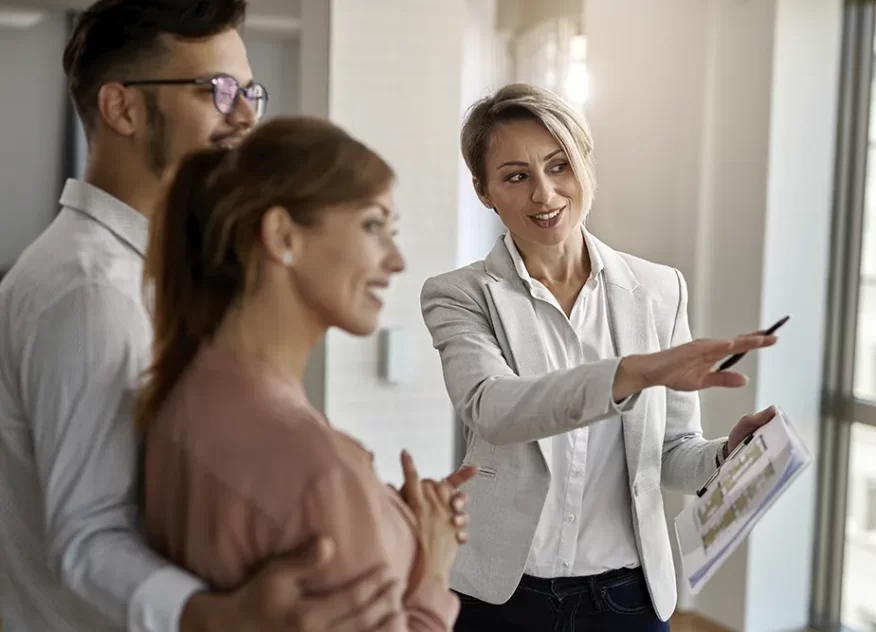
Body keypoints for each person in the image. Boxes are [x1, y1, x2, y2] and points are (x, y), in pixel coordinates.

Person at [0, 2, 464, 630]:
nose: (245, 114)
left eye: (250, 90)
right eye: (217, 89)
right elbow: (90, 536)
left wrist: (376, 520)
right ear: (122, 108)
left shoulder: (176, 275)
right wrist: (215, 616)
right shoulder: (91, 289)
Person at [419, 82, 780, 632]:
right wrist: (634, 372)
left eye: (559, 165)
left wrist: (725, 456)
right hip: (502, 596)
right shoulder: (460, 294)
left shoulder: (660, 290)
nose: (544, 193)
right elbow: (494, 408)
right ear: (483, 190)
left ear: (585, 165)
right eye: (516, 176)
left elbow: (671, 452)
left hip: (627, 598)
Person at [137, 116, 466, 632]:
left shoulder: (182, 397)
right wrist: (434, 571)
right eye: (373, 225)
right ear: (283, 235)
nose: (397, 260)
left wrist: (386, 516)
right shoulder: (322, 473)